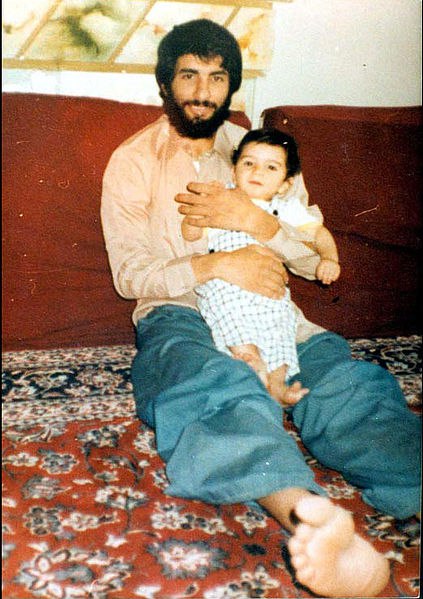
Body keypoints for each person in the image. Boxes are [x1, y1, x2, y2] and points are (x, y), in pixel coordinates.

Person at [101, 18, 420, 598]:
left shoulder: (262, 153)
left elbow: (311, 259)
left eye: (217, 77)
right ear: (165, 83)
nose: (203, 91)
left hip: (273, 311)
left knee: (348, 384)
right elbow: (130, 276)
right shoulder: (133, 160)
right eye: (189, 75)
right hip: (179, 311)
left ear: (233, 86)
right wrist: (217, 265)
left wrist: (259, 223)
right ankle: (314, 527)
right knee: (210, 387)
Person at [181, 127, 340, 406]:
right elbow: (191, 235)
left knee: (282, 328)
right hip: (227, 284)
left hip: (270, 289)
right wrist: (197, 213)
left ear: (284, 184)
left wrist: (329, 258)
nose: (258, 172)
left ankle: (277, 385)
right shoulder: (222, 199)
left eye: (271, 167)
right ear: (234, 172)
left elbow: (319, 234)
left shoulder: (286, 208)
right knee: (232, 320)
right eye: (248, 163)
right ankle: (251, 364)